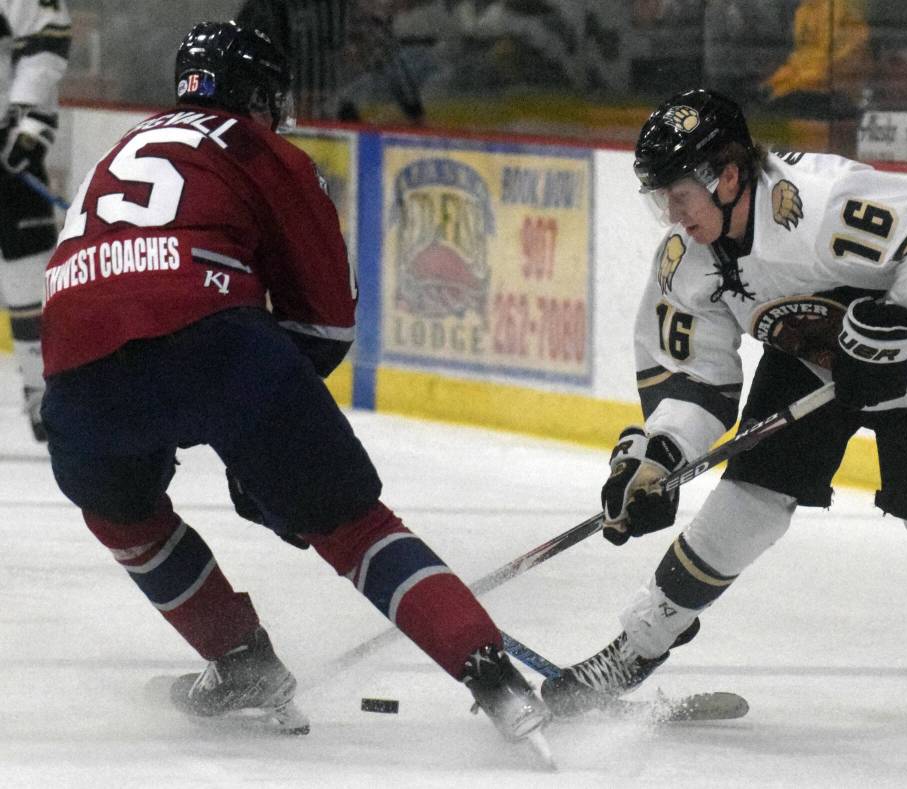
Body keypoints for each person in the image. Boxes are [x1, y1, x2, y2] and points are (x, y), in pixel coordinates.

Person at [39, 20, 548, 743]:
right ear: (255, 93)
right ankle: (493, 676)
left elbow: (92, 290)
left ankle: (239, 660)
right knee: (356, 529)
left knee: (122, 511)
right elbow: (328, 322)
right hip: (213, 338)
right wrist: (274, 457)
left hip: (76, 368)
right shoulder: (255, 146)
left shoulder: (119, 148)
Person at [539, 88, 907, 716]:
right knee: (749, 496)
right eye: (660, 198)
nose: (671, 215)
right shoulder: (687, 258)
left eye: (678, 195)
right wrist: (659, 456)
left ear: (727, 177)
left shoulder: (821, 205)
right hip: (806, 357)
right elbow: (694, 373)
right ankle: (639, 644)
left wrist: (900, 323)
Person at [0, 0, 71, 441]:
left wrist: (26, 126)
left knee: (30, 282)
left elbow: (46, 43)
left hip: (6, 155)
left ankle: (47, 399)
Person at [235, 0, 425, 123]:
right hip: (286, 118)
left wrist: (414, 112)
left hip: (331, 117)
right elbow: (244, 61)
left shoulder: (344, 10)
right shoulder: (264, 9)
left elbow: (386, 52)